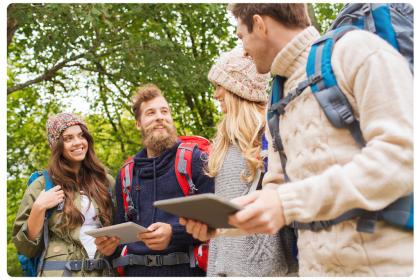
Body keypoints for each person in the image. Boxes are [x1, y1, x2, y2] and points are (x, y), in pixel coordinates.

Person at [227, 3, 413, 277]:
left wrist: (286, 203)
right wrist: (225, 221)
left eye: (241, 36)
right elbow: (277, 189)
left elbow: (403, 156)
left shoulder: (356, 51)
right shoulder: (276, 100)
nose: (242, 50)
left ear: (260, 24)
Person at [179, 46, 298, 276]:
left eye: (218, 87)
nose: (215, 95)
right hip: (223, 267)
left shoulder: (272, 134)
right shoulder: (224, 142)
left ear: (237, 89)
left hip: (269, 270)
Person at [94, 84, 214, 276]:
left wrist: (173, 232)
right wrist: (109, 249)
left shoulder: (197, 160)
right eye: (150, 113)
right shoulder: (126, 174)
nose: (160, 116)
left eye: (164, 111)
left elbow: (215, 219)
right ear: (138, 123)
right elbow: (120, 237)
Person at [13, 113, 115, 276]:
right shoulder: (41, 185)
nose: (78, 142)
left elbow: (119, 230)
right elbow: (26, 248)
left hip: (102, 273)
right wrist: (39, 208)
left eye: (81, 136)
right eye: (68, 138)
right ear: (56, 145)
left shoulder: (106, 182)